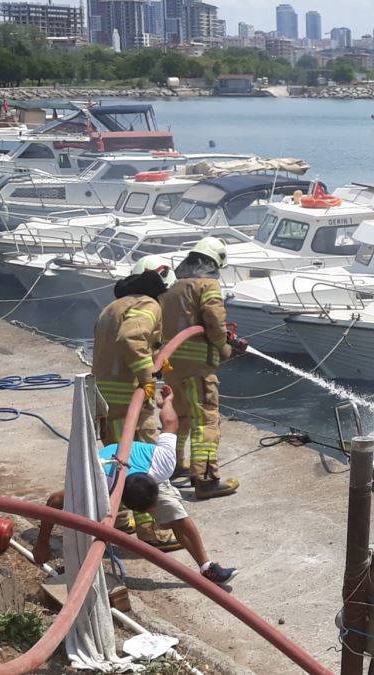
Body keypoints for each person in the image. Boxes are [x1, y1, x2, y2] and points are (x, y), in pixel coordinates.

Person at [33, 386, 238, 585]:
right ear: (127, 504)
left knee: (177, 515)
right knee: (86, 524)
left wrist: (166, 402)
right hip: (109, 470)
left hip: (145, 467)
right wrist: (42, 543)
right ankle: (75, 565)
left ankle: (206, 567)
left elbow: (169, 421)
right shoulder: (97, 482)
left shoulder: (163, 463)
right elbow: (54, 502)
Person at [92, 254, 179, 552]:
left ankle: (118, 518)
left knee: (118, 461)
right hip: (129, 399)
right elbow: (130, 338)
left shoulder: (113, 307)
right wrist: (147, 379)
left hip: (106, 399)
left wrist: (156, 365)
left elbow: (124, 348)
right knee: (142, 464)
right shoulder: (147, 304)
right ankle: (152, 530)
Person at [159, 237, 243, 499]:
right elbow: (215, 322)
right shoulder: (207, 285)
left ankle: (173, 467)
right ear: (213, 263)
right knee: (205, 421)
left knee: (181, 418)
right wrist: (225, 347)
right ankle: (205, 479)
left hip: (173, 367)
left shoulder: (172, 288)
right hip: (198, 370)